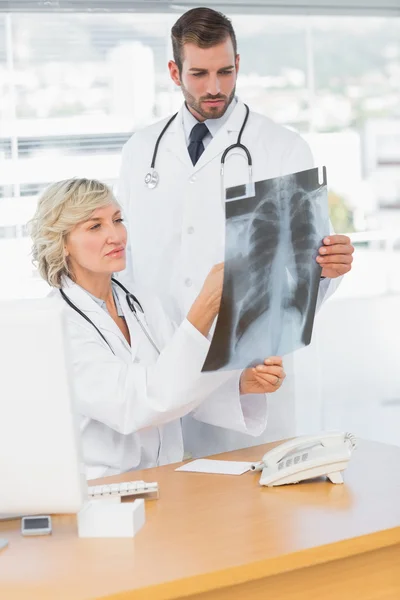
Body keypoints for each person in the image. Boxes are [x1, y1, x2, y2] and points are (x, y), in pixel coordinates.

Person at [117, 7, 354, 456]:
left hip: (249, 381)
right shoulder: (141, 151)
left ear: (238, 64)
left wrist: (330, 268)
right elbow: (123, 263)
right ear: (174, 71)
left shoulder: (283, 147)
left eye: (226, 71)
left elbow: (307, 272)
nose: (215, 87)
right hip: (160, 373)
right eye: (200, 73)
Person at [29, 178, 285, 479]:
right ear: (62, 243)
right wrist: (203, 310)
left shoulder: (140, 301)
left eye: (117, 220)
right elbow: (136, 404)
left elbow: (177, 381)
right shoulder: (56, 325)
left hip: (166, 479)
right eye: (94, 226)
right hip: (105, 491)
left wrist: (240, 385)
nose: (115, 235)